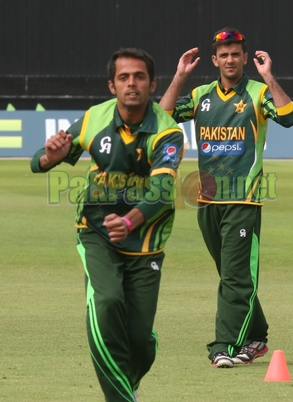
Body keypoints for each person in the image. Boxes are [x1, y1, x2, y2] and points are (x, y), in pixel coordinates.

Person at [30, 48, 184, 401]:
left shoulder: (168, 131)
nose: (132, 83)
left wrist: (129, 222)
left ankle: (128, 375)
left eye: (140, 77)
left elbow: (162, 191)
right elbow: (37, 162)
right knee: (107, 302)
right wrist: (47, 157)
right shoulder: (92, 119)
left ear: (153, 84)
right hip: (96, 232)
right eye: (124, 77)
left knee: (141, 342)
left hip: (146, 241)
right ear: (112, 85)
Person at [159, 28, 293, 368]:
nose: (230, 59)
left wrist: (270, 77)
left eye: (236, 53)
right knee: (233, 277)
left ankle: (223, 345)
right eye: (224, 53)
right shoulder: (202, 94)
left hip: (243, 201)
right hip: (207, 202)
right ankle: (257, 336)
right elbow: (160, 118)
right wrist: (178, 77)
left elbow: (289, 117)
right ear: (215, 59)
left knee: (235, 278)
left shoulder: (257, 92)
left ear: (245, 58)